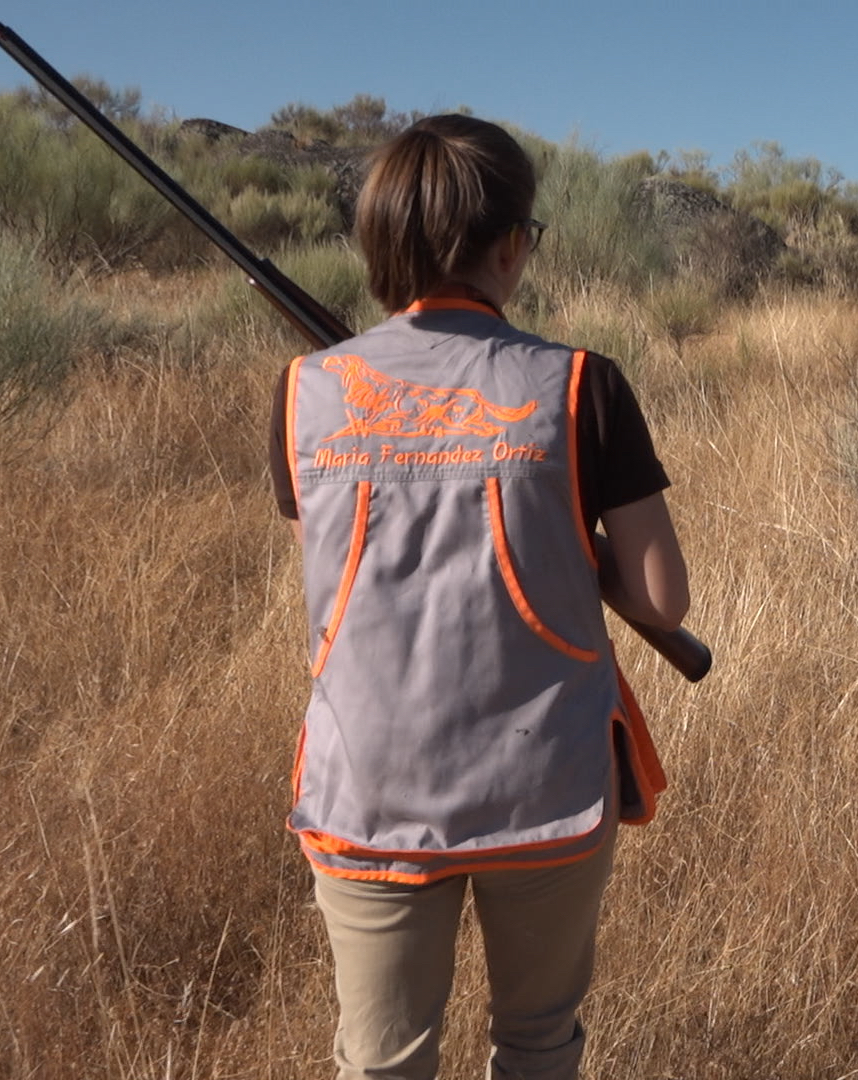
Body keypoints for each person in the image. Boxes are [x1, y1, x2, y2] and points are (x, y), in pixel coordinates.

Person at [267, 113, 690, 1080]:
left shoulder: (303, 392)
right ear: (511, 244)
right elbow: (663, 601)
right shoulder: (582, 385)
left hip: (369, 789)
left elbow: (334, 577)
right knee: (537, 1042)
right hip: (541, 785)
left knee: (382, 1062)